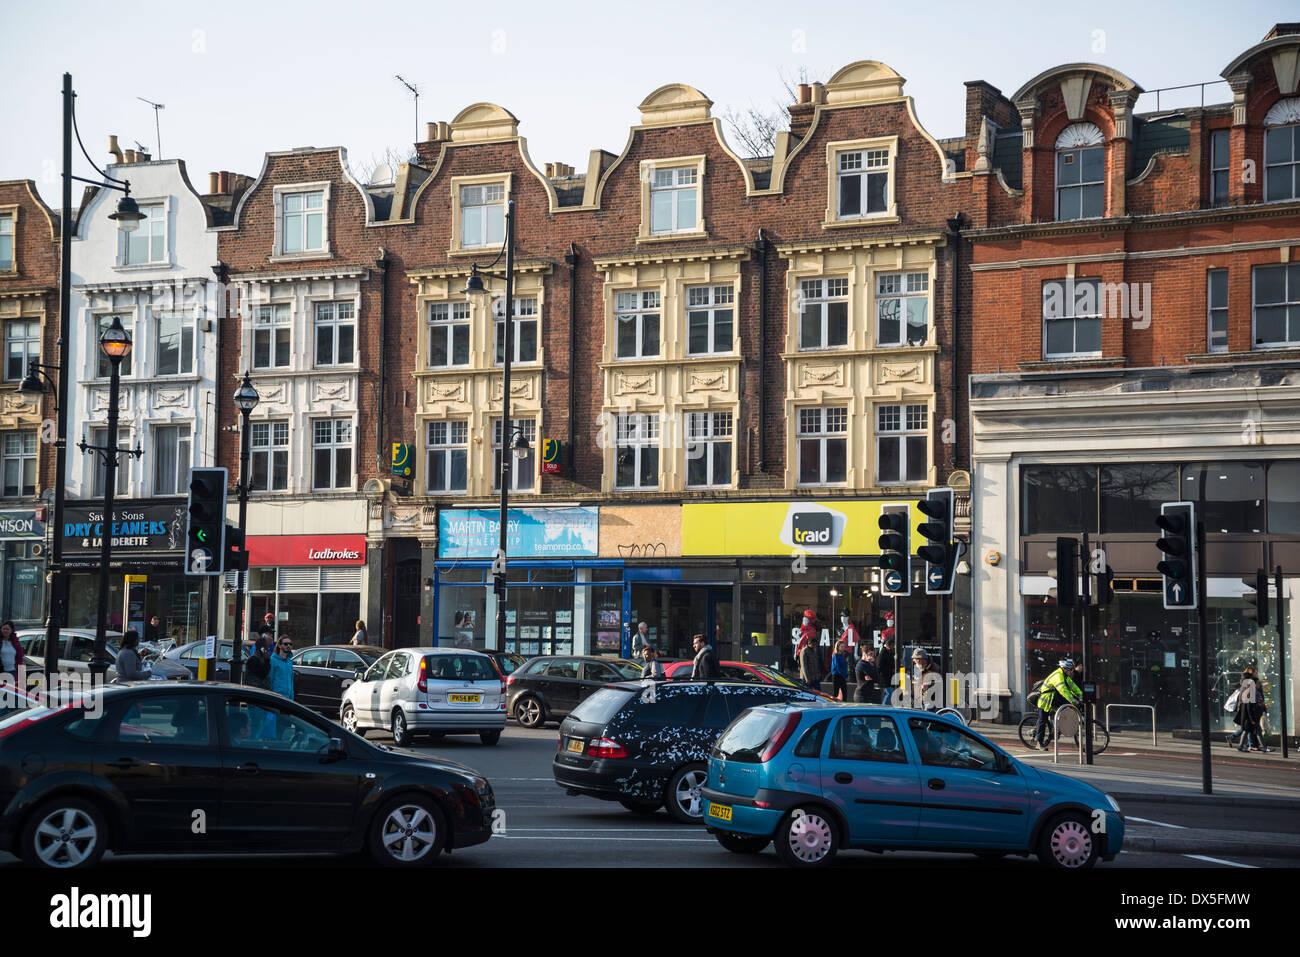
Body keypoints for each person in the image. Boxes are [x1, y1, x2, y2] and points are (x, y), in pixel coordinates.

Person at [1034, 658, 1083, 749]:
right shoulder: (1058, 676)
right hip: (1046, 700)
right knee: (1042, 720)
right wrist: (1073, 701)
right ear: (1064, 669)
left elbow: (1073, 687)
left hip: (1054, 698)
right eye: (1070, 670)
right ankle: (1039, 743)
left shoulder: (1065, 676)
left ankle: (1056, 730)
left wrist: (1081, 695)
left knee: (1066, 709)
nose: (1071, 672)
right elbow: (1063, 690)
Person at [1234, 667, 1271, 753]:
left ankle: (1262, 747)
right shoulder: (1250, 686)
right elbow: (1249, 704)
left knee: (1252, 730)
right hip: (1251, 713)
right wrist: (1252, 716)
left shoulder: (1248, 684)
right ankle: (1246, 746)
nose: (1259, 685)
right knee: (1249, 730)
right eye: (1255, 672)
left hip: (1251, 713)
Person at [269, 633, 295, 700]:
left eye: (290, 644)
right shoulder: (273, 660)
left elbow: (291, 680)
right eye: (286, 644)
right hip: (276, 697)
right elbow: (270, 679)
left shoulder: (289, 661)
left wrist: (292, 696)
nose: (288, 646)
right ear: (279, 645)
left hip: (288, 698)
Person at [877, 631, 896, 705]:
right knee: (889, 693)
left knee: (888, 693)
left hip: (889, 677)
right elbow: (879, 666)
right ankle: (884, 707)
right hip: (884, 678)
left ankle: (885, 706)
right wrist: (890, 670)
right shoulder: (883, 654)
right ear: (888, 645)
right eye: (892, 645)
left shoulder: (890, 652)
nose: (893, 647)